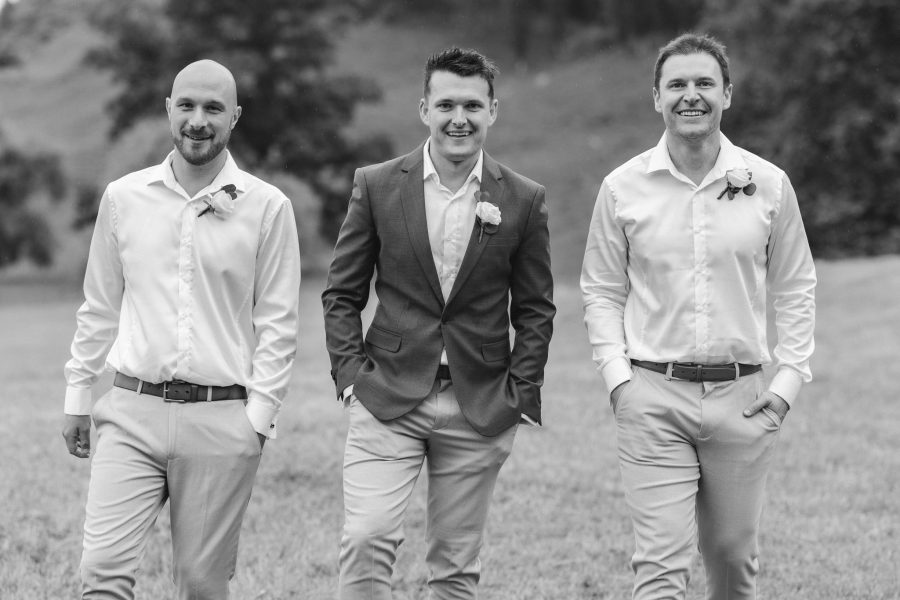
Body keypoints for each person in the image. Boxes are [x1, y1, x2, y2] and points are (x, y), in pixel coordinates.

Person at [581, 33, 816, 599]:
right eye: (677, 85)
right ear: (656, 97)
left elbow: (796, 287)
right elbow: (602, 291)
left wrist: (786, 384)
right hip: (653, 396)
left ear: (727, 95)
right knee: (660, 569)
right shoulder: (621, 188)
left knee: (734, 563)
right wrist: (620, 382)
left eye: (704, 83)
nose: (692, 96)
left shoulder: (769, 185)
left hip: (745, 399)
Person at [61, 59, 301, 599]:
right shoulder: (123, 199)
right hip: (132, 409)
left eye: (213, 108)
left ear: (234, 117)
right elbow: (99, 306)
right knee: (101, 571)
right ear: (168, 109)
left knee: (201, 585)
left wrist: (257, 421)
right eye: (187, 106)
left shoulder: (268, 208)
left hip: (222, 418)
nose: (198, 120)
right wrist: (78, 396)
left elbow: (279, 323)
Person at [322, 46, 555, 599]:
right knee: (365, 540)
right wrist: (352, 376)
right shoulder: (377, 185)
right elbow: (342, 293)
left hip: (477, 405)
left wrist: (518, 393)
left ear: (492, 111)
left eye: (473, 105)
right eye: (445, 103)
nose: (459, 118)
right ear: (423, 108)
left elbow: (535, 309)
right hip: (385, 394)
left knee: (455, 569)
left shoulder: (523, 199)